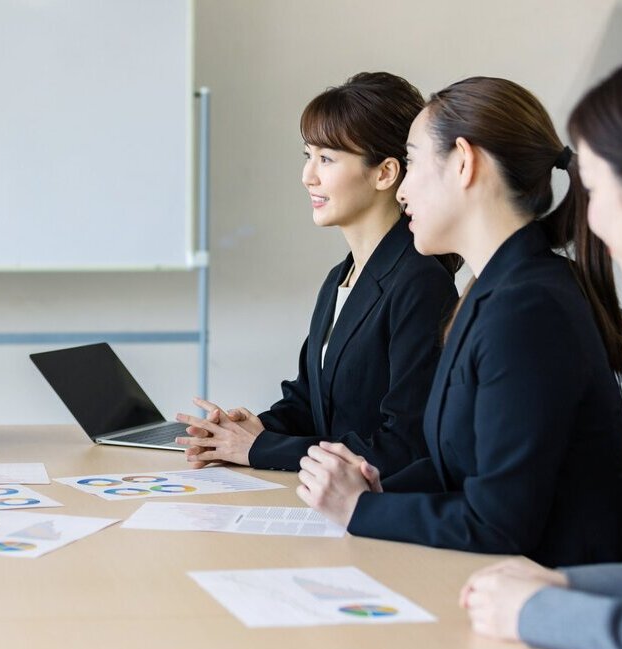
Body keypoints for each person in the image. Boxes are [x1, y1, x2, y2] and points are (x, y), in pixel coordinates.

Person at [296, 75, 622, 567]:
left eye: (412, 162)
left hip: (545, 592)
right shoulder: (493, 289)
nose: (404, 188)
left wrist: (362, 508)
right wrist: (375, 487)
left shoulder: (528, 307)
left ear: (464, 162)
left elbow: (500, 520)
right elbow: (458, 469)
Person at [461, 53, 622, 649]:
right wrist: (564, 583)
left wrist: (539, 610)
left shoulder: (529, 298)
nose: (587, 218)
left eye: (597, 191)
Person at [175, 72, 458, 478]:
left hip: (373, 514)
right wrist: (253, 430)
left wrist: (260, 449)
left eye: (326, 159)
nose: (308, 176)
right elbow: (309, 402)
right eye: (307, 156)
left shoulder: (419, 283)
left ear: (385, 173)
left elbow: (403, 445)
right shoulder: (340, 278)